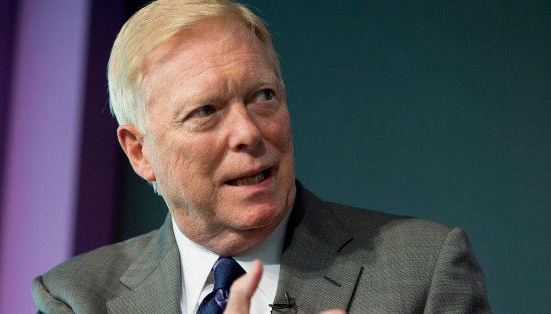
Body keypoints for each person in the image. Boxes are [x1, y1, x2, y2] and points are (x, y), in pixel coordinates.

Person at [31, 0, 491, 313]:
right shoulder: (78, 298)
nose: (249, 132)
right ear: (139, 151)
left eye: (263, 96)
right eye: (206, 111)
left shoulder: (423, 271)